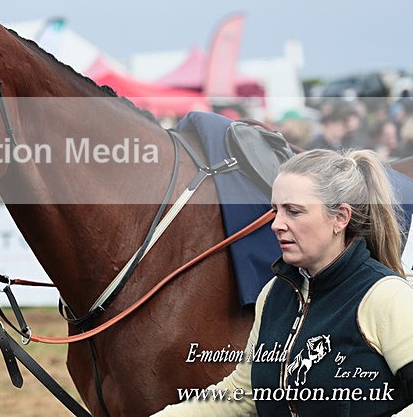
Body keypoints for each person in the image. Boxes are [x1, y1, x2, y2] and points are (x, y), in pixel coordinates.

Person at [156, 148, 413, 416]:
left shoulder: (387, 296)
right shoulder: (272, 294)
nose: (276, 224)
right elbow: (243, 394)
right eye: (275, 210)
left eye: (293, 211)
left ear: (340, 218)